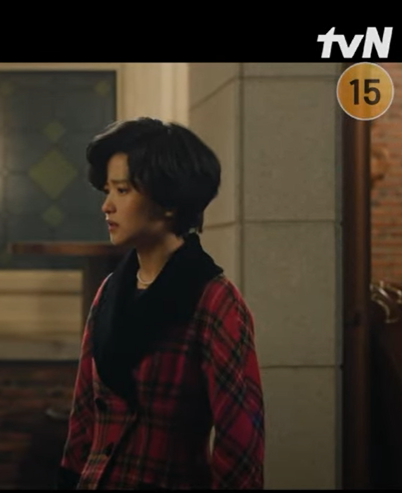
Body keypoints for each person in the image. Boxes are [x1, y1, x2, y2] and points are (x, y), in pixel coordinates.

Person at [57, 118, 264, 489]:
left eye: (122, 190)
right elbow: (84, 415)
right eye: (107, 190)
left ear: (168, 200)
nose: (106, 206)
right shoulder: (110, 291)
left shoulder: (214, 301)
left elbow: (240, 444)